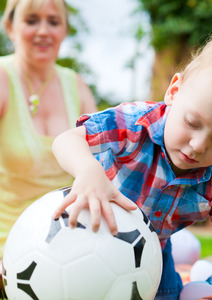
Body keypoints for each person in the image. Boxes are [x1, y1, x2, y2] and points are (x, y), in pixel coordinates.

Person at [51, 35, 212, 300]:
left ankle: (202, 281)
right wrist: (89, 171)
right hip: (91, 234)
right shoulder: (133, 123)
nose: (198, 145)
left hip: (151, 250)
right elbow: (65, 140)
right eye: (192, 122)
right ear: (174, 92)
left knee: (169, 295)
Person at [0, 0, 97, 260]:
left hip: (69, 239)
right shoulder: (2, 77)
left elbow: (104, 161)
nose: (43, 31)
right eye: (32, 20)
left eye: (53, 22)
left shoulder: (77, 86)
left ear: (64, 31)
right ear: (10, 27)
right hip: (7, 240)